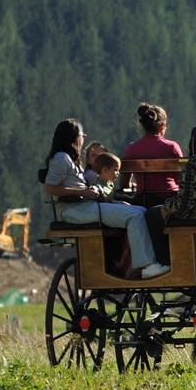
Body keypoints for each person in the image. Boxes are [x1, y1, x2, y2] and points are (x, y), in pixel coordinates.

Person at [43, 118, 169, 279]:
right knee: (135, 215)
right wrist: (84, 192)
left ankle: (129, 262)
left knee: (140, 210)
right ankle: (145, 266)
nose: (83, 138)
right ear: (74, 137)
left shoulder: (70, 159)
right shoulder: (62, 158)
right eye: (82, 135)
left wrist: (114, 202)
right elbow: (50, 188)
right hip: (73, 210)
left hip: (84, 207)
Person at [121, 102, 182, 206]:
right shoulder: (172, 147)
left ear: (142, 125)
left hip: (143, 200)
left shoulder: (132, 148)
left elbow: (124, 183)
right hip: (170, 201)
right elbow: (181, 180)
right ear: (162, 126)